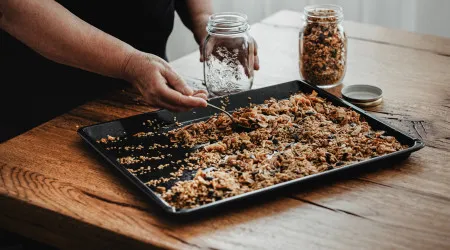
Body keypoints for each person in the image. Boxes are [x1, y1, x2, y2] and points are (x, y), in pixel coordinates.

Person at [0, 0, 260, 142]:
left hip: (148, 94)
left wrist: (204, 21)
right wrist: (128, 63)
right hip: (44, 107)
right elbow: (14, 8)